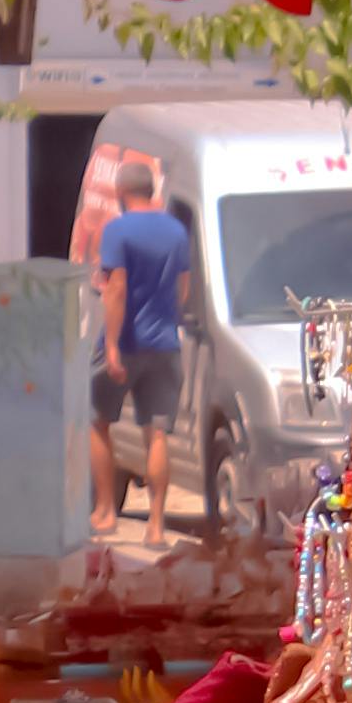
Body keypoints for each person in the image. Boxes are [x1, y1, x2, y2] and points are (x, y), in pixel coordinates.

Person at [97, 152, 195, 545]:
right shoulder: (175, 231)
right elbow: (183, 286)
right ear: (150, 190)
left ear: (121, 192)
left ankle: (105, 512)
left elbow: (116, 288)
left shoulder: (117, 230)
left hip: (128, 343)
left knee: (97, 420)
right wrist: (169, 318)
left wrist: (111, 346)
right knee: (156, 434)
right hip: (165, 343)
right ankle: (156, 525)